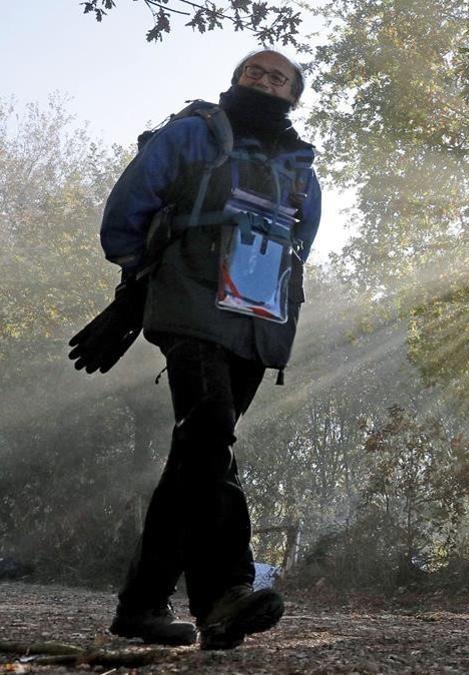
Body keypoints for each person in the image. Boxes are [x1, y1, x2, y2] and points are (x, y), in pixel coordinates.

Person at [88, 49, 321, 650]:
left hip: (256, 319)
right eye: (254, 72)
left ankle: (142, 605)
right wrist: (137, 289)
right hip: (189, 303)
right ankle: (226, 592)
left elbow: (302, 242)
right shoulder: (191, 135)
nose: (264, 81)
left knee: (198, 450)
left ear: (294, 96)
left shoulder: (301, 167)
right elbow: (126, 213)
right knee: (211, 426)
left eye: (280, 78)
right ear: (235, 79)